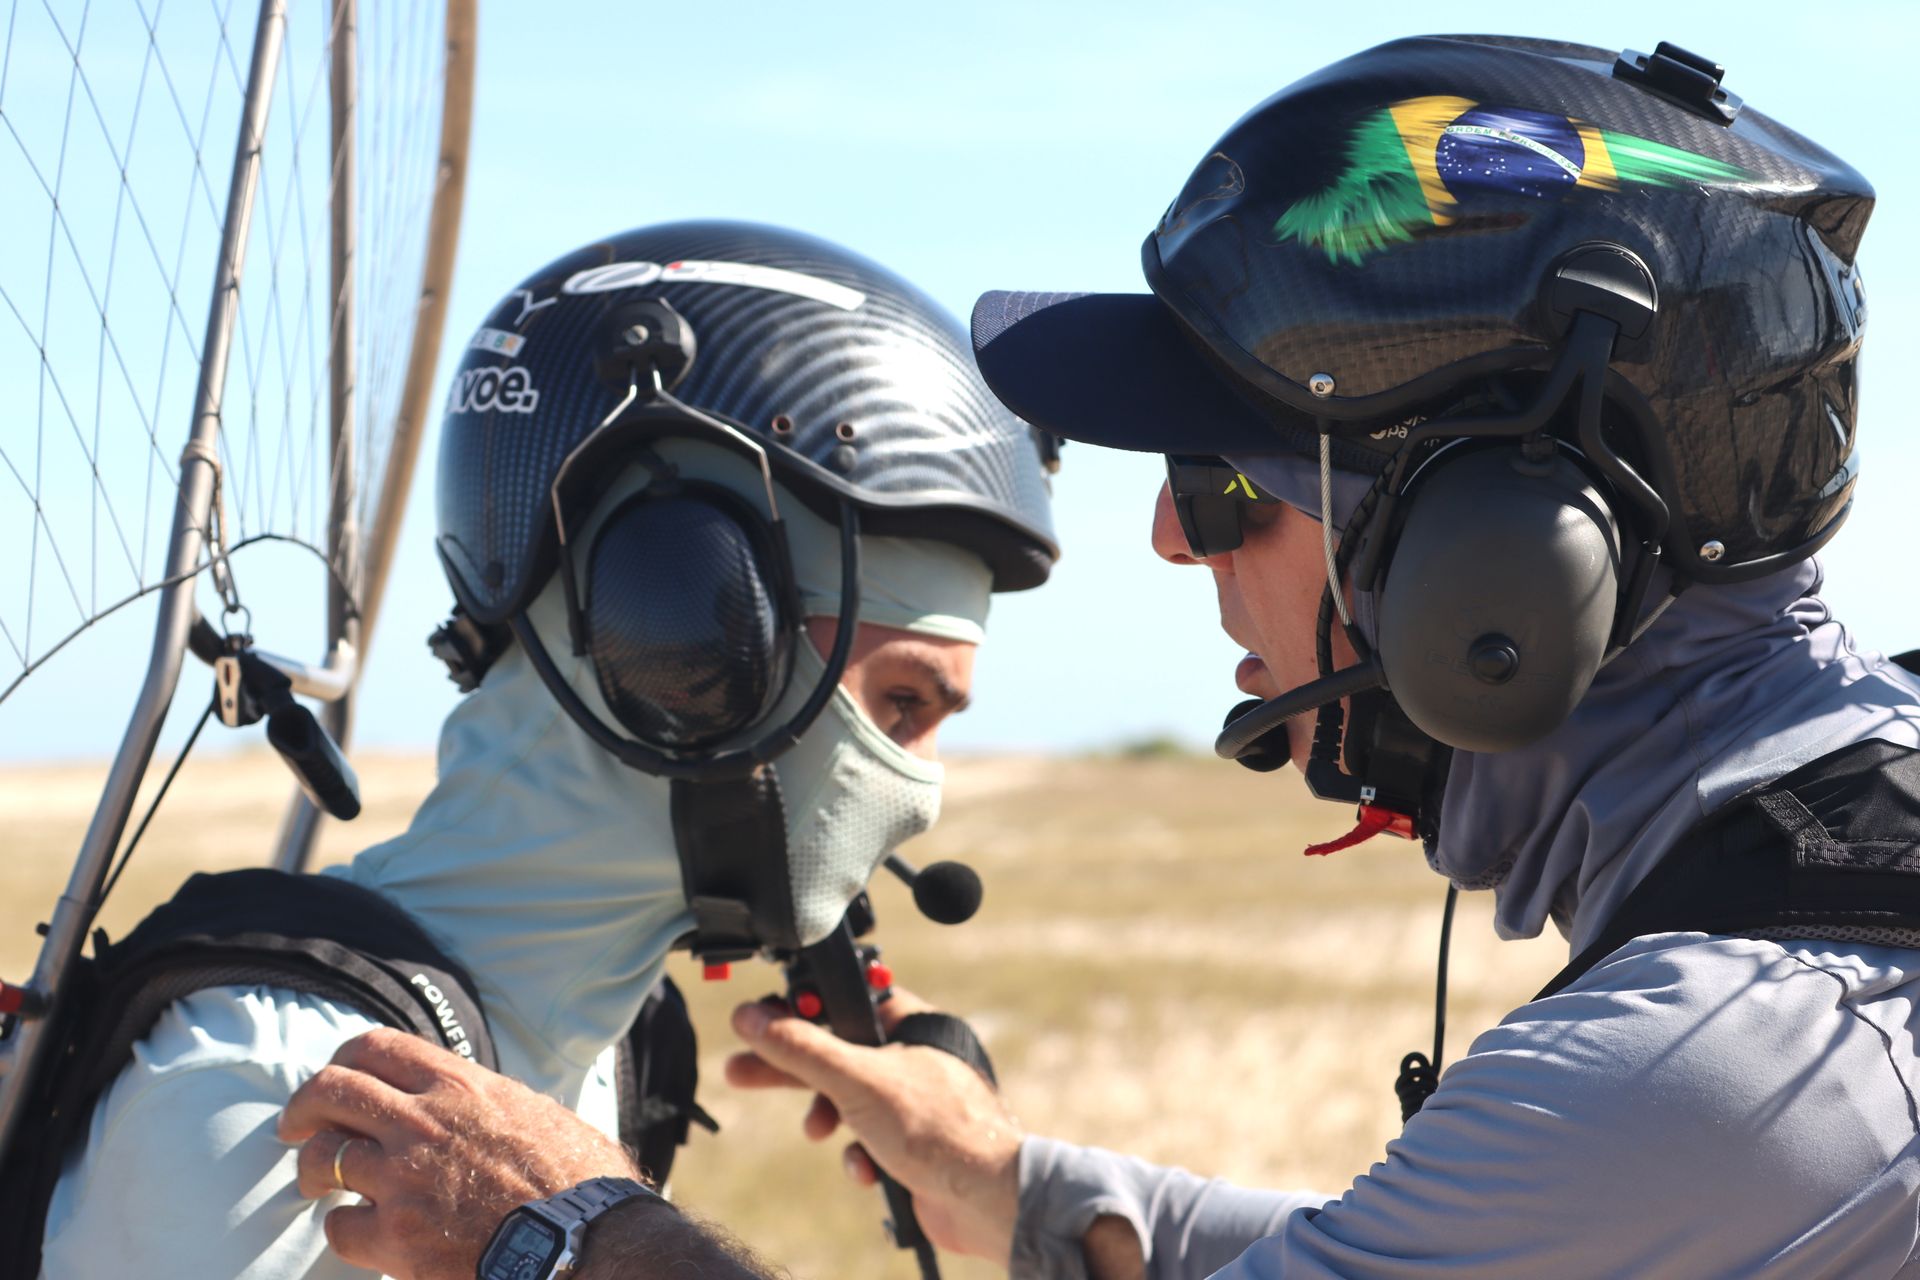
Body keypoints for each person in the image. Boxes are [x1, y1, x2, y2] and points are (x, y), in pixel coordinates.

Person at [283, 33, 1920, 1280]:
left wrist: (561, 1238)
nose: (1167, 544)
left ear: (1494, 552)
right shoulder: (1828, 893)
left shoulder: (1707, 1061)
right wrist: (1025, 1190)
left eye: (1225, 488)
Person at [34, 220, 1058, 1278]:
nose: (924, 792)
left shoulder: (609, 1048)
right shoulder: (273, 1100)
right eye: (899, 704)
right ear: (683, 644)